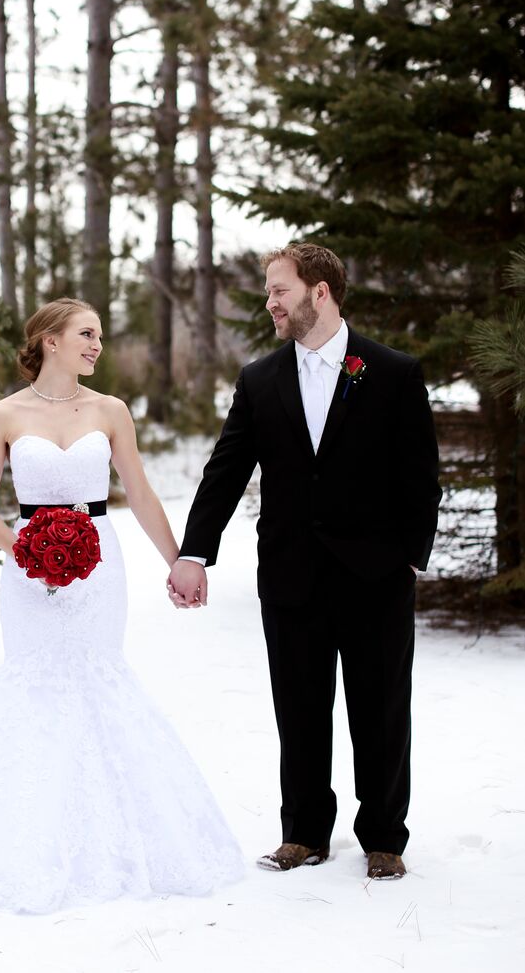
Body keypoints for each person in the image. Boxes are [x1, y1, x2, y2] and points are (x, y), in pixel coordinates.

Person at [0, 298, 244, 912]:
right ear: (50, 341)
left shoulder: (111, 410)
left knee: (97, 677)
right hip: (28, 567)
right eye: (86, 334)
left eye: (99, 335)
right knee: (34, 681)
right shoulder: (3, 414)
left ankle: (111, 835)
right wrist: (24, 550)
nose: (97, 345)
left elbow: (139, 493)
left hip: (100, 566)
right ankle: (21, 834)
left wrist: (180, 559)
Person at [168, 244, 441, 881]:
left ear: (319, 293)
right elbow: (225, 471)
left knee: (380, 709)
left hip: (376, 577)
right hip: (291, 575)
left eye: (279, 291)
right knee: (299, 708)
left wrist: (411, 562)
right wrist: (194, 551)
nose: (271, 303)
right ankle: (304, 833)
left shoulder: (392, 372)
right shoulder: (259, 380)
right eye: (270, 293)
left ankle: (383, 837)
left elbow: (420, 477)